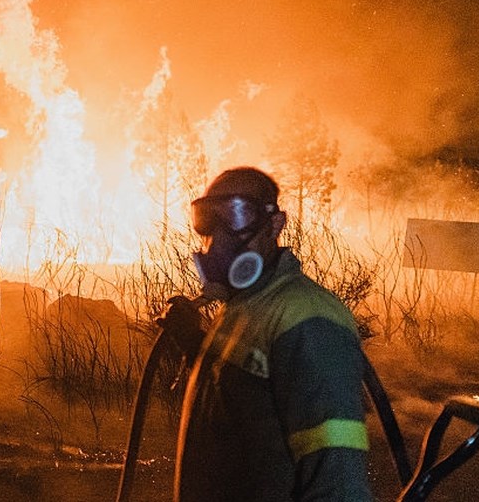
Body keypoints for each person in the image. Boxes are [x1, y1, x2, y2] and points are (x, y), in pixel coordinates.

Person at [158, 166, 372, 501]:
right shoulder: (244, 306)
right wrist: (192, 343)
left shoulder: (307, 316)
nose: (218, 244)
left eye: (237, 217)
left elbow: (339, 479)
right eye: (209, 225)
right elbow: (241, 399)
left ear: (275, 224)